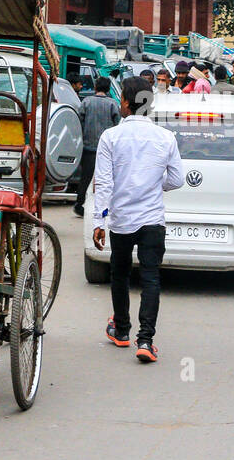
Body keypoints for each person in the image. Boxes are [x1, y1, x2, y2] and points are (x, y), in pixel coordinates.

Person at [92, 76, 184, 364]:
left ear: (126, 103)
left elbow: (103, 183)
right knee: (151, 277)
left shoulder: (110, 137)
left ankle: (121, 331)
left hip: (121, 220)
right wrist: (156, 186)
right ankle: (146, 340)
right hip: (152, 219)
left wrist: (99, 220)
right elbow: (177, 179)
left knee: (119, 274)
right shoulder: (166, 137)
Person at [74, 75, 121, 218]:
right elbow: (117, 124)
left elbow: (79, 122)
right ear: (108, 89)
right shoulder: (112, 104)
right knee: (106, 179)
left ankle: (79, 204)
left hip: (88, 147)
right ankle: (105, 207)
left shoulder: (86, 102)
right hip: (107, 149)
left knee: (86, 177)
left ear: (95, 87)